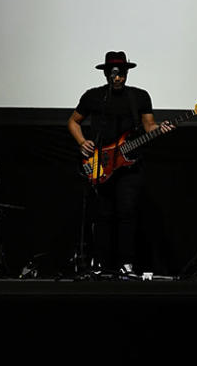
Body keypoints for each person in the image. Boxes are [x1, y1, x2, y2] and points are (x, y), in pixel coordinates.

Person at [67, 51, 173, 277]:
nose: (118, 78)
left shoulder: (139, 97)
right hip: (101, 163)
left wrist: (160, 129)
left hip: (130, 165)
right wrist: (82, 142)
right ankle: (100, 265)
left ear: (126, 74)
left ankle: (127, 264)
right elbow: (73, 122)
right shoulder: (93, 97)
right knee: (102, 215)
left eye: (122, 74)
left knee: (128, 212)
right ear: (106, 73)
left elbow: (149, 126)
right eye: (114, 73)